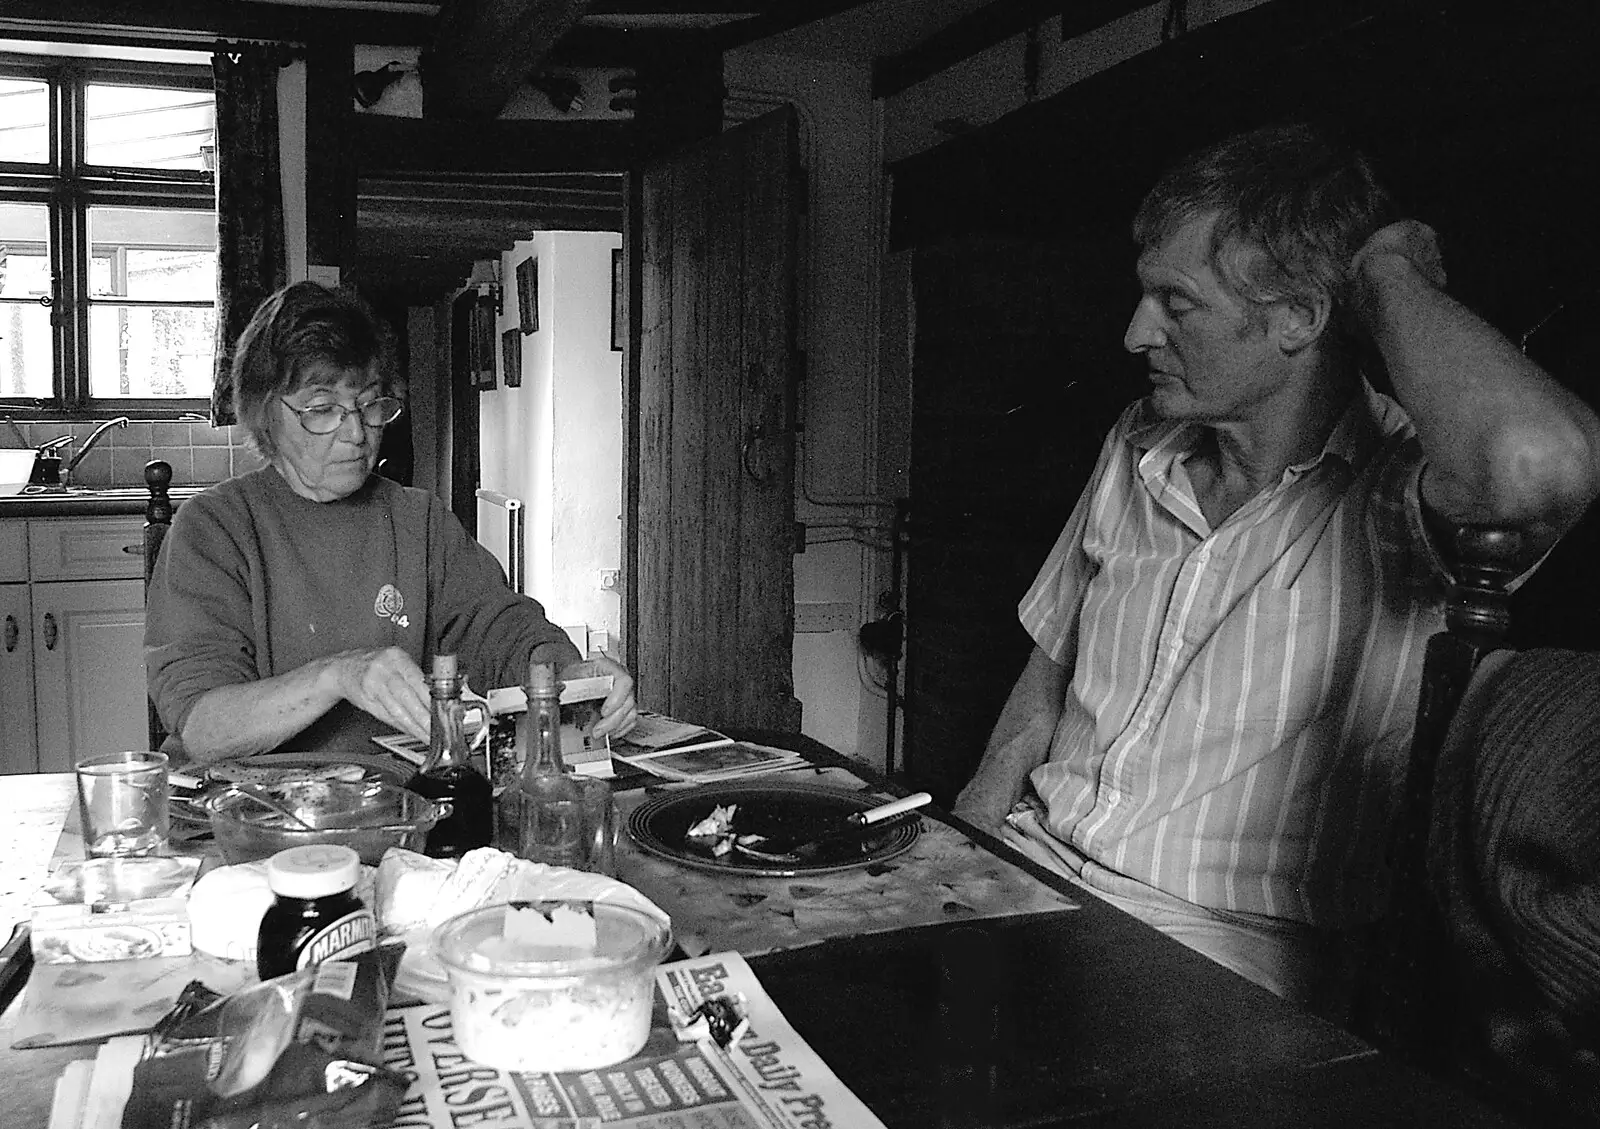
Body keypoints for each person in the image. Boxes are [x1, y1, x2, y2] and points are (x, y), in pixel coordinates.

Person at [951, 123, 1600, 1016]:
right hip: (1027, 875)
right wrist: (966, 840)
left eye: (1175, 304)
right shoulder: (1138, 442)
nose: (1135, 331)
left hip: (1216, 958)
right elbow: (1050, 662)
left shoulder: (1408, 485)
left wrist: (1383, 271)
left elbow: (1539, 462)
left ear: (1300, 315)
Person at [145, 281, 638, 766]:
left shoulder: (418, 519)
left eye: (370, 404)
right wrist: (339, 676)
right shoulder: (214, 529)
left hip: (401, 808)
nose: (357, 433)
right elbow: (203, 728)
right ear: (264, 413)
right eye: (323, 410)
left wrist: (570, 673)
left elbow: (501, 626)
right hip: (259, 820)